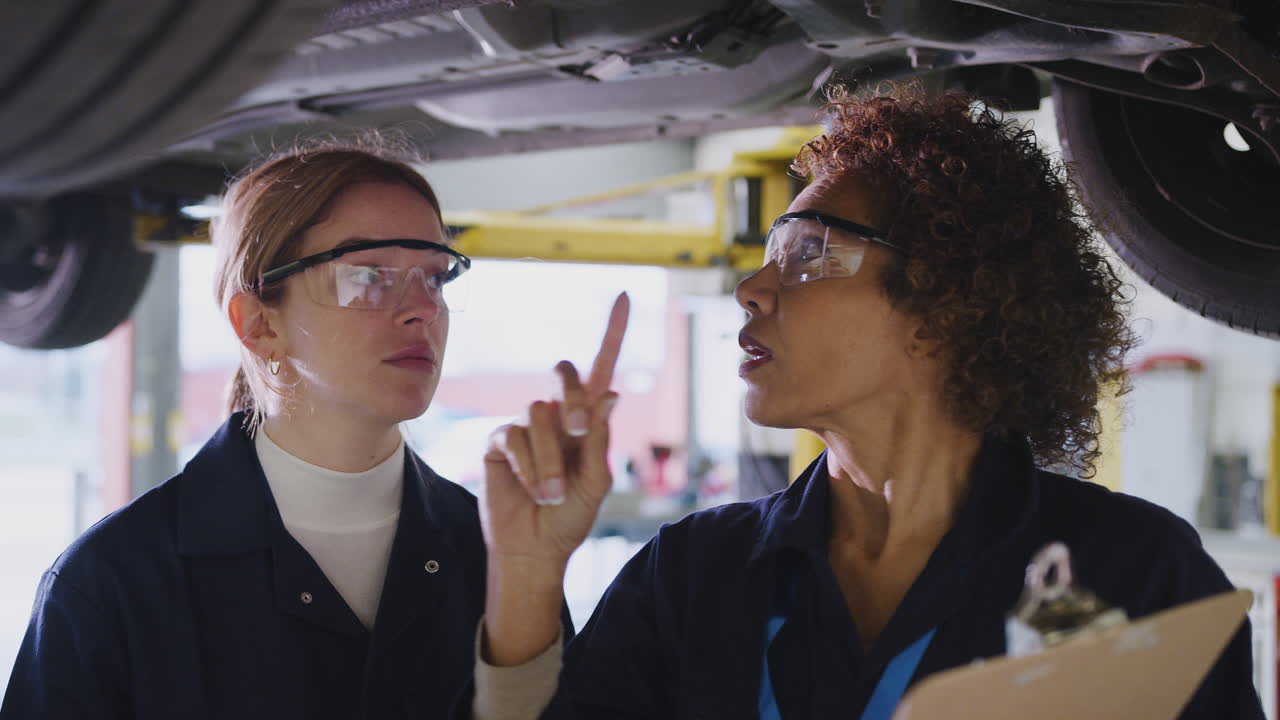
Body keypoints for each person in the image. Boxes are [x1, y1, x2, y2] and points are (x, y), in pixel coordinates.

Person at [473, 86, 1265, 719]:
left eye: (809, 252)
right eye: (766, 256)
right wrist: (530, 576)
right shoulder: (693, 576)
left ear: (947, 304)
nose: (752, 289)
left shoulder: (1132, 572)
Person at [0, 140, 621, 719]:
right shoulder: (116, 582)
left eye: (435, 275)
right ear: (258, 325)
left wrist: (530, 581)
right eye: (367, 275)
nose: (425, 309)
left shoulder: (501, 554)